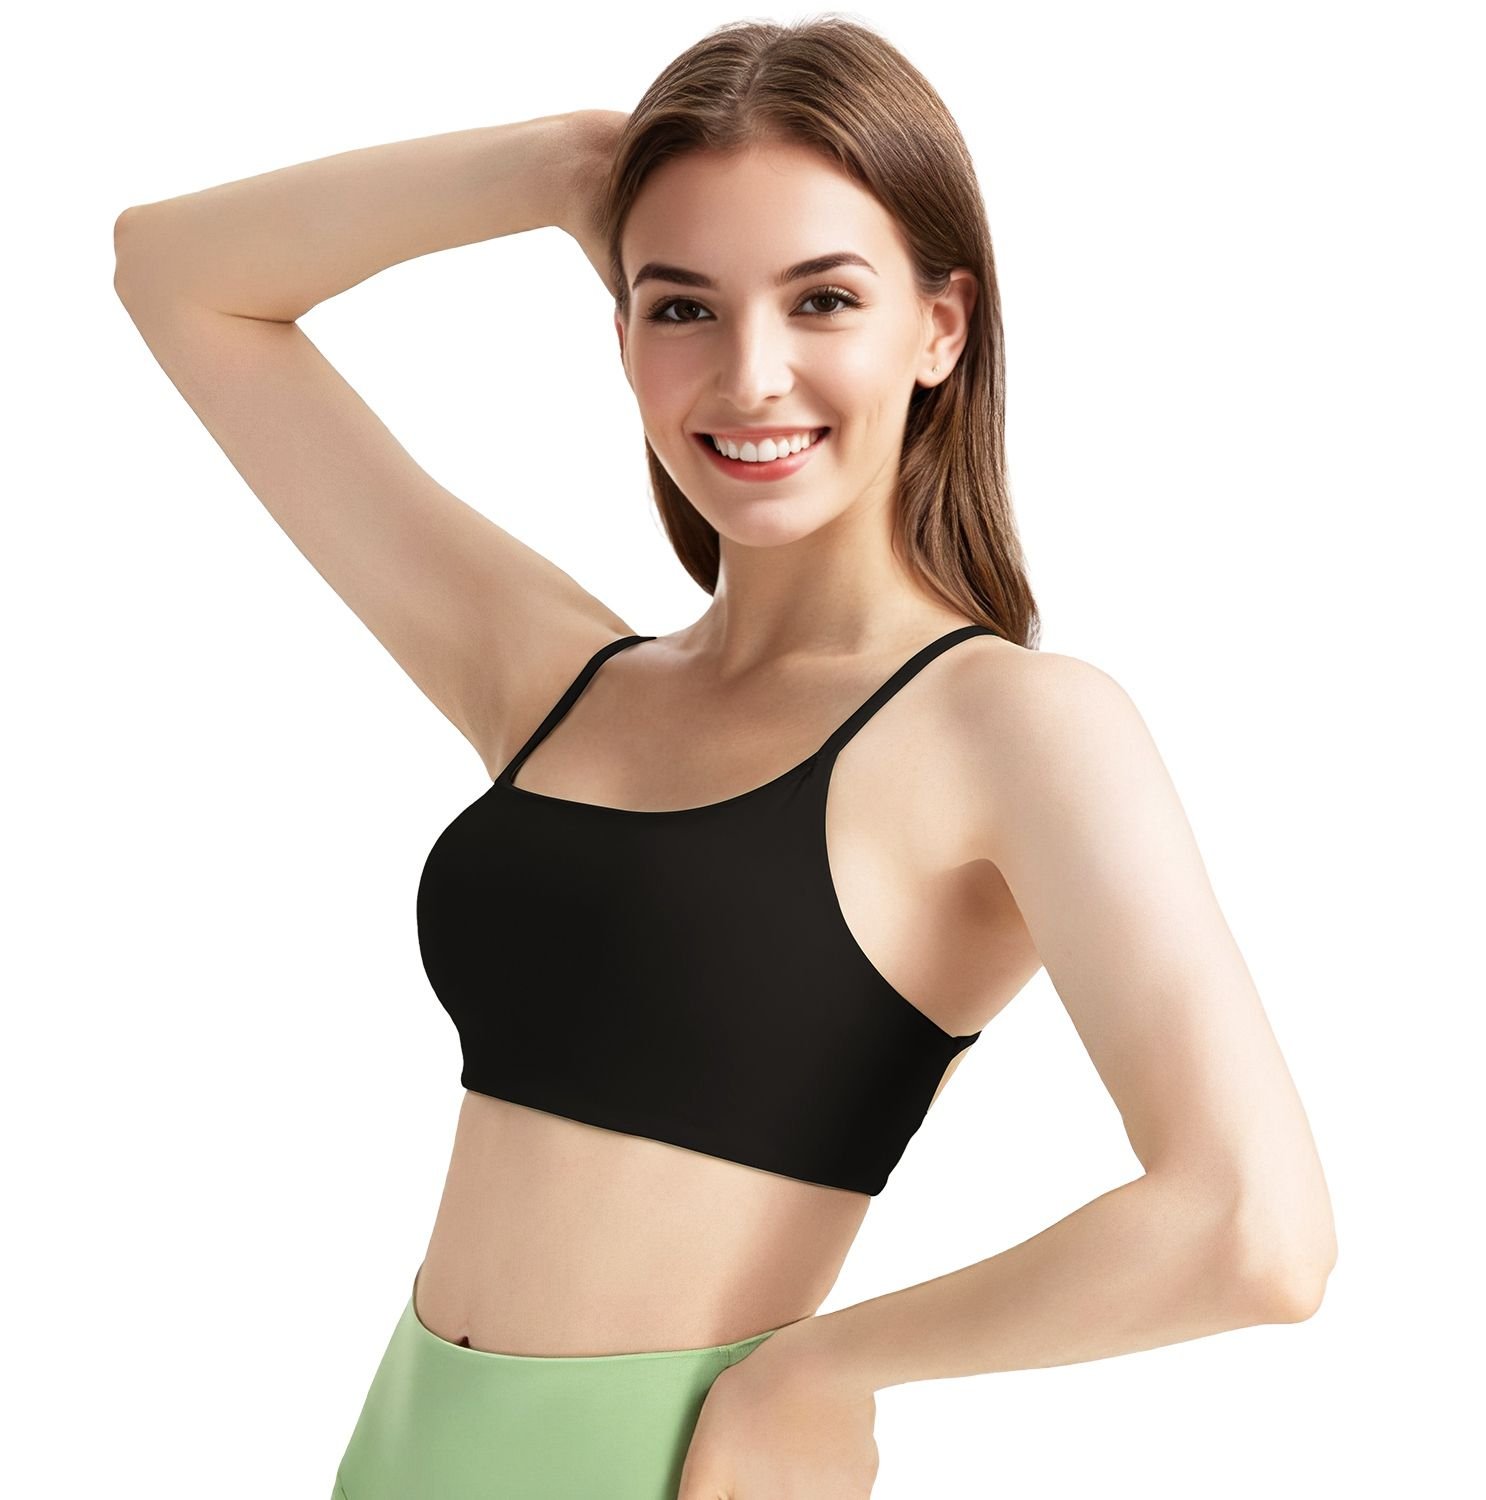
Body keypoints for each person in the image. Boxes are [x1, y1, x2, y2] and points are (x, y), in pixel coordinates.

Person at [113, 16, 1336, 1500]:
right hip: (398, 1455)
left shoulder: (1009, 726)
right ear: (623, 335)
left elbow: (1253, 1228)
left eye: (824, 299)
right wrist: (568, 163)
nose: (752, 375)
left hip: (673, 1471)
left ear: (941, 328)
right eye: (682, 306)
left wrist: (822, 1371)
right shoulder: (560, 682)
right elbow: (173, 274)